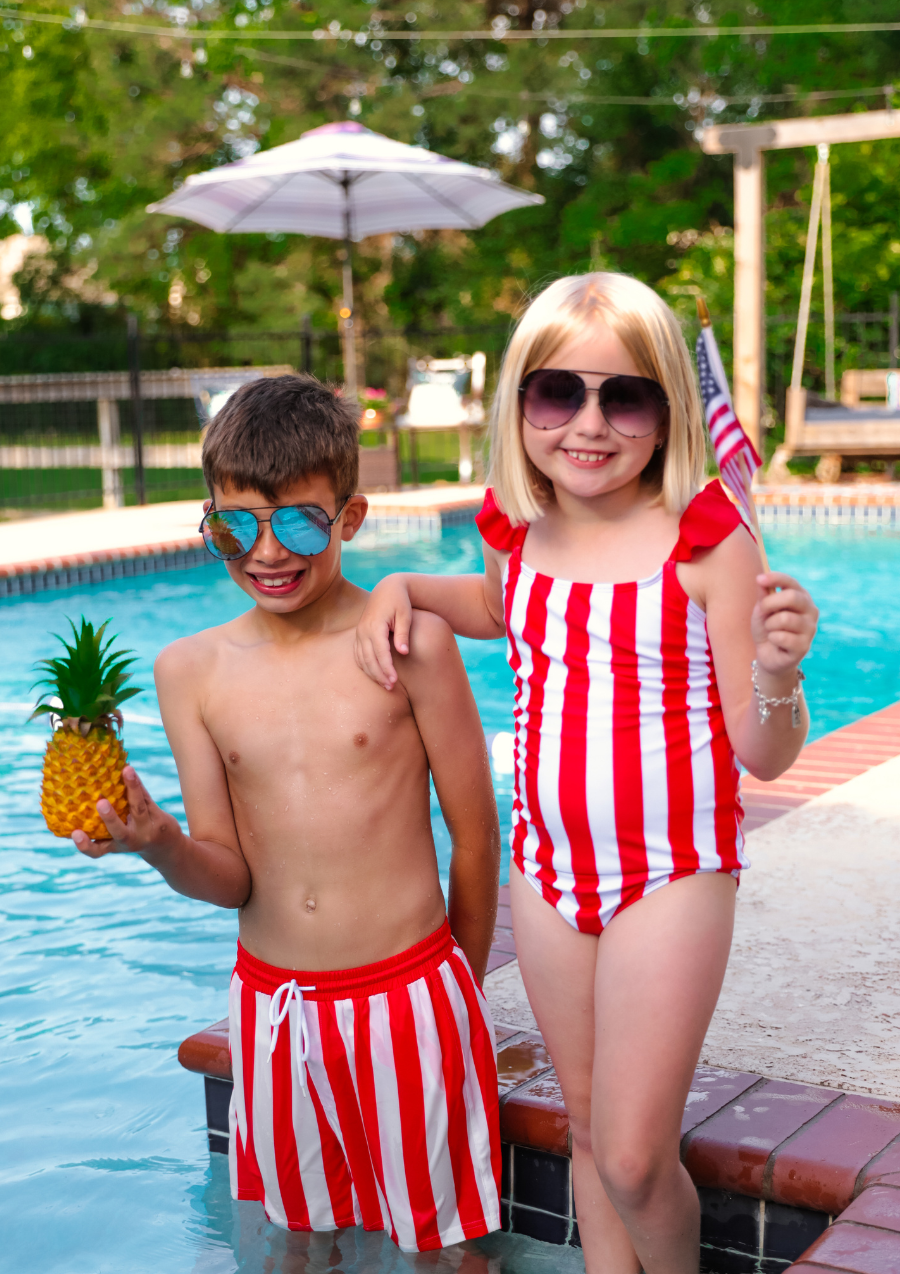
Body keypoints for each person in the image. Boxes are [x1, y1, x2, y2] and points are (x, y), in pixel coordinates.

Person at [354, 273, 818, 1274]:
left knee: (638, 1155)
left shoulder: (706, 541)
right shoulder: (516, 532)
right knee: (592, 1134)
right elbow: (494, 609)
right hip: (549, 872)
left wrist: (777, 671)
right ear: (520, 400)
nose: (589, 423)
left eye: (626, 396)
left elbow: (765, 752)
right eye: (558, 392)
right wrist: (398, 581)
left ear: (667, 410)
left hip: (670, 873)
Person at [71, 374, 503, 1254]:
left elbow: (476, 830)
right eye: (235, 527)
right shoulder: (190, 671)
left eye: (300, 522)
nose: (267, 552)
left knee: (448, 1247)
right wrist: (158, 844)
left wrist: (463, 993)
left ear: (350, 516)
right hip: (274, 1011)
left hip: (412, 994)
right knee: (294, 1250)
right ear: (210, 520)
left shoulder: (408, 642)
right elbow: (229, 874)